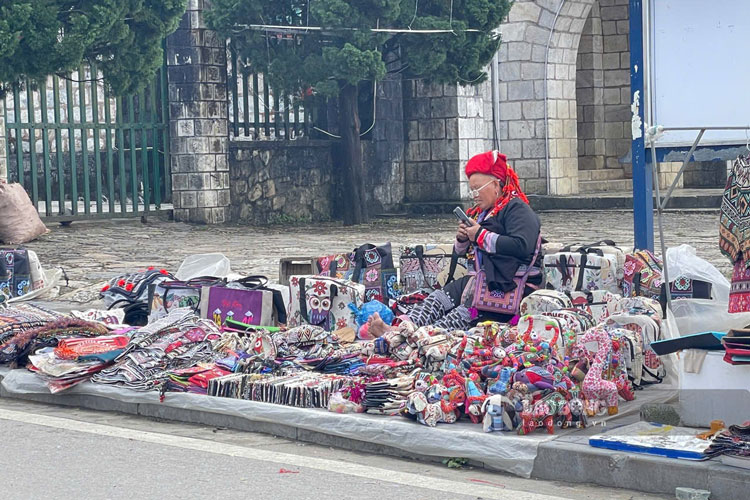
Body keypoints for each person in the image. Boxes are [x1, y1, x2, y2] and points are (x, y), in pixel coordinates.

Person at [367, 150, 542, 337]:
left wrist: (480, 235)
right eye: (471, 189)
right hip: (479, 280)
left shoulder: (518, 210)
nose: (474, 195)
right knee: (435, 300)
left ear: (496, 184)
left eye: (478, 188)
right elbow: (464, 252)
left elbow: (522, 245)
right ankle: (397, 330)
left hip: (508, 286)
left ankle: (415, 338)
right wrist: (463, 239)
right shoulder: (481, 213)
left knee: (456, 318)